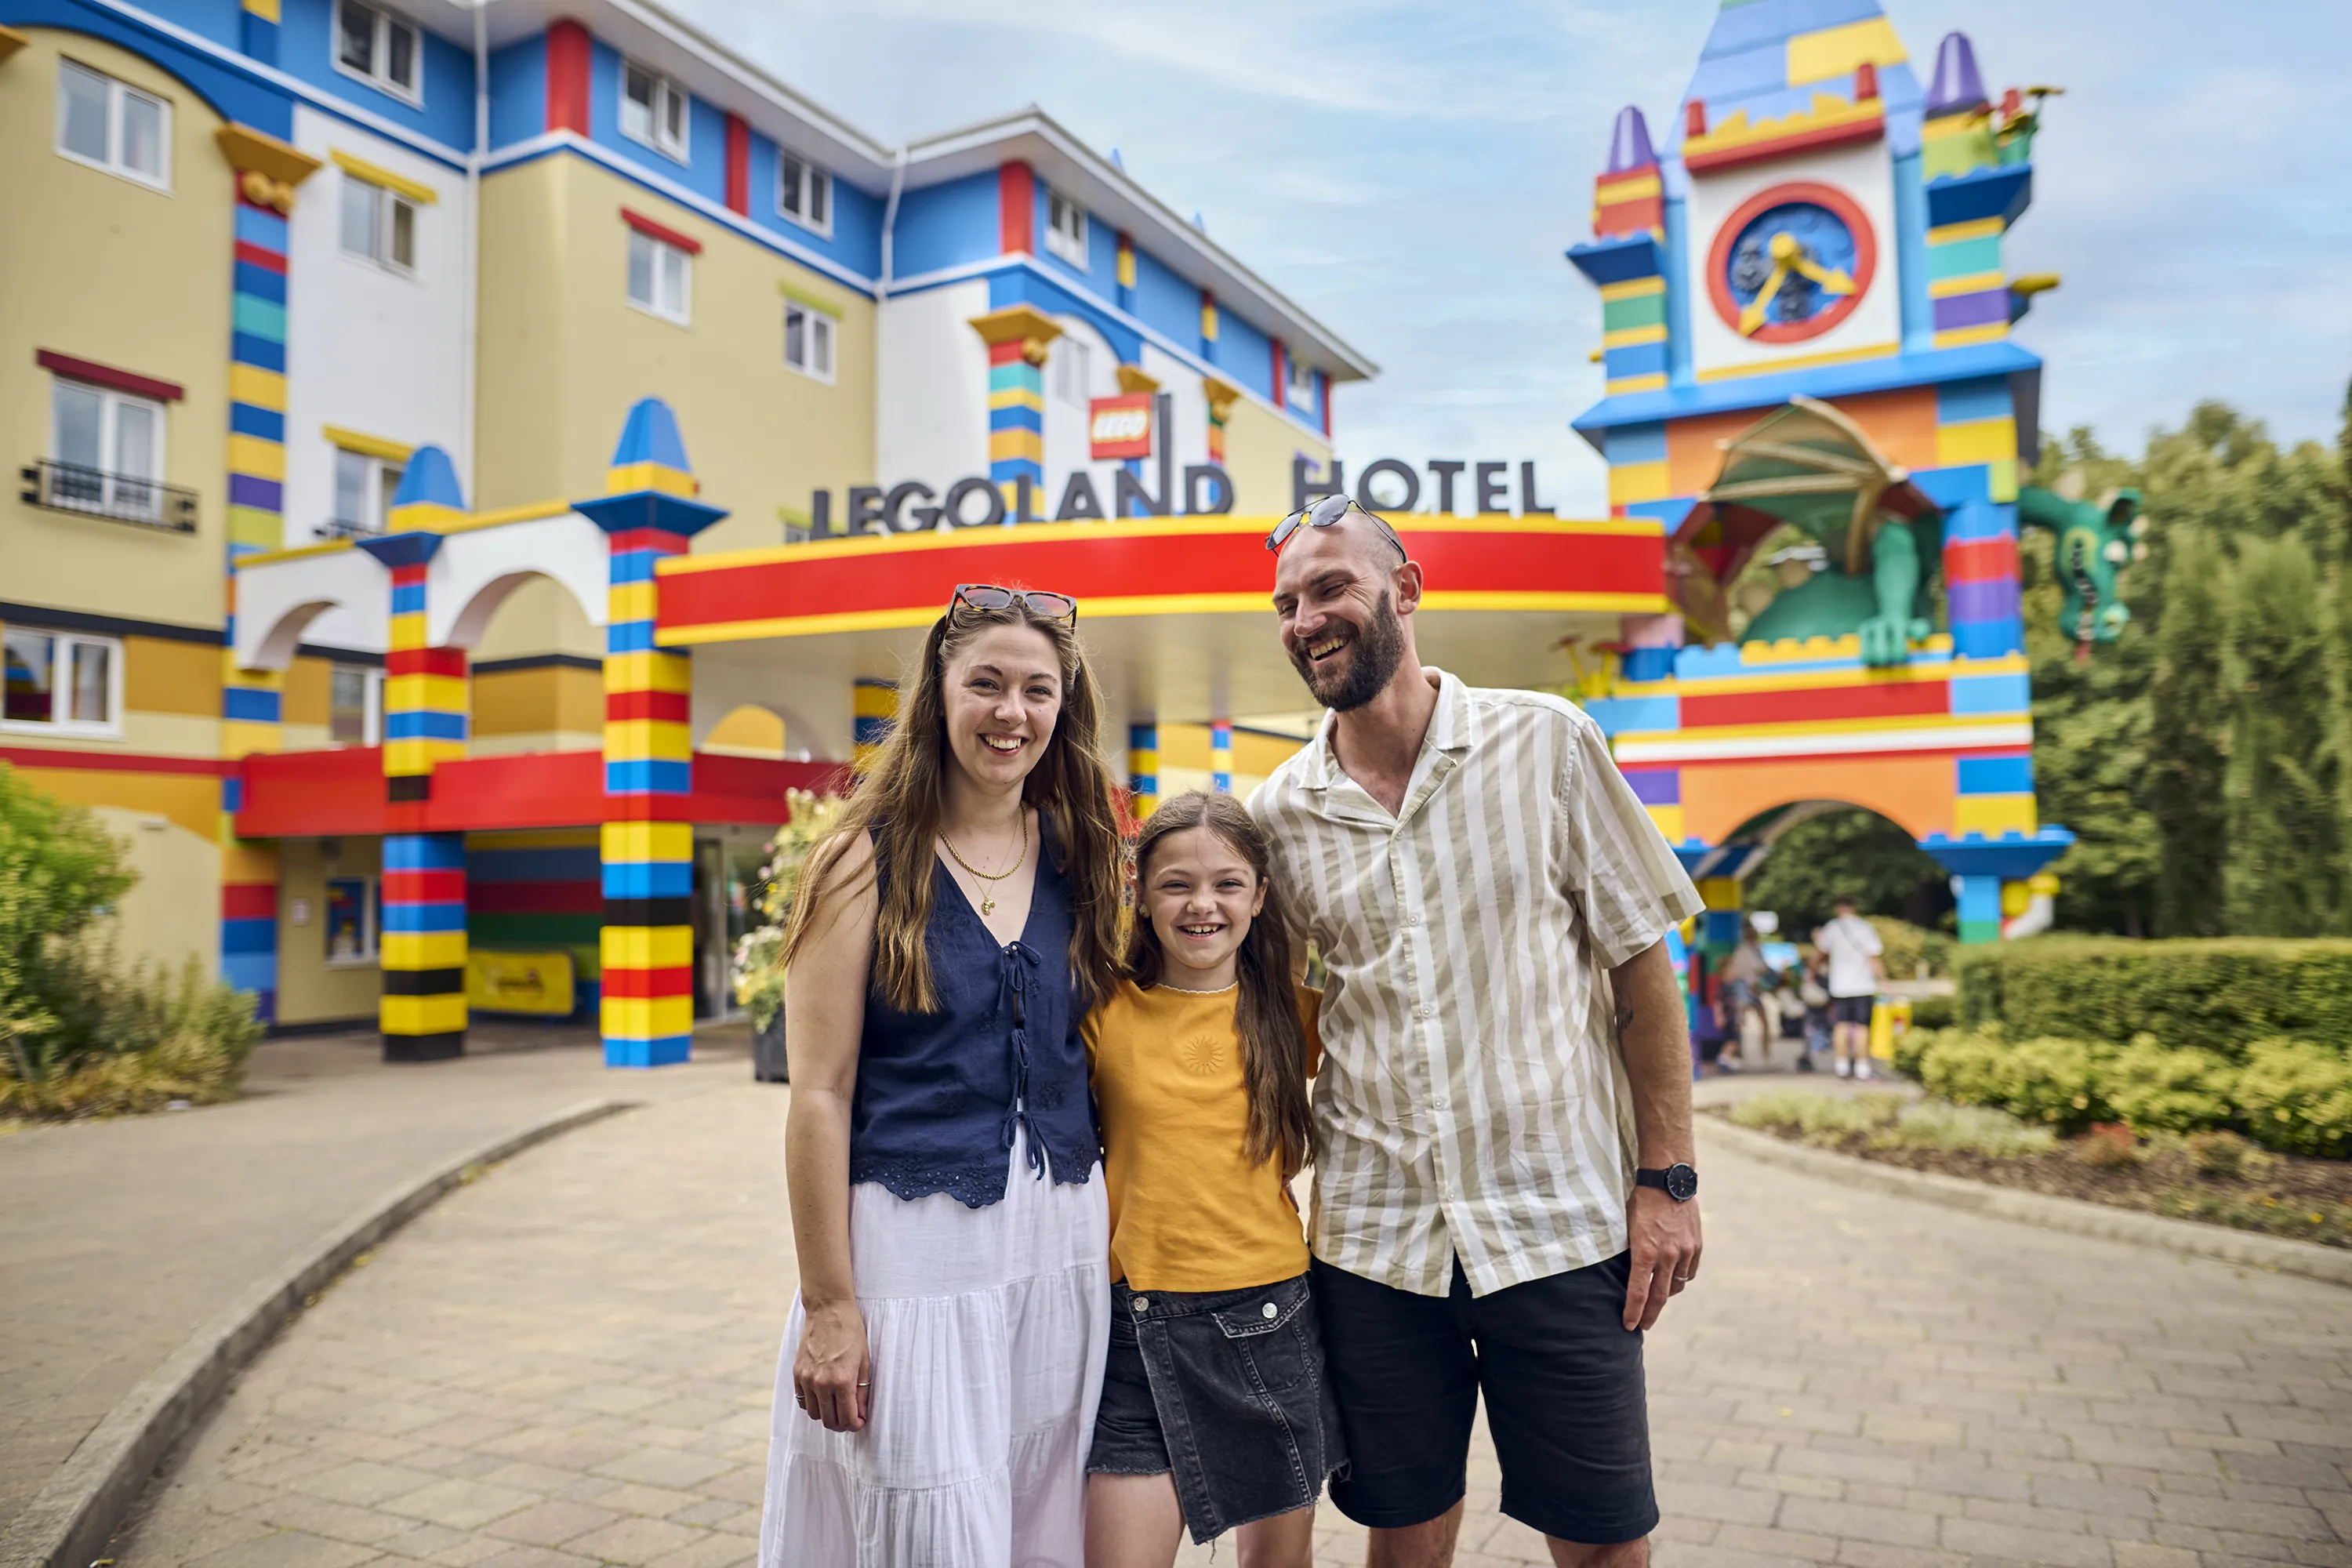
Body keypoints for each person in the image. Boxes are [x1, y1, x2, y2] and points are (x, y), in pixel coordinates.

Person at [1248, 495, 1706, 1568]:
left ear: (1406, 590)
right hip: (1374, 1243)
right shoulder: (1278, 815)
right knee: (1404, 1533)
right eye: (1287, 604)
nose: (1306, 620)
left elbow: (1641, 965)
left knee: (1603, 1540)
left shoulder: (1547, 742)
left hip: (1558, 1223)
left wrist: (1669, 1180)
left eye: (1330, 588)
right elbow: (1270, 1026)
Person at [758, 583, 1127, 1567]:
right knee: (926, 1517)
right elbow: (819, 1093)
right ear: (939, 692)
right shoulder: (859, 861)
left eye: (1038, 689)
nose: (1013, 712)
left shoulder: (1082, 855)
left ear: (1063, 706)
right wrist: (830, 1304)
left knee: (1042, 1514)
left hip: (1062, 1248)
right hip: (916, 1255)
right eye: (987, 683)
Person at [1082, 790, 1345, 1568]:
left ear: (1259, 897)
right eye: (1177, 884)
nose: (1203, 904)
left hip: (1270, 1320)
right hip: (1135, 1327)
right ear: (1139, 893)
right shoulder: (1102, 1010)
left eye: (1228, 883)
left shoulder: (1295, 1014)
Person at [1813, 895, 1886, 1081]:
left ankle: (1841, 1066)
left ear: (1837, 908)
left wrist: (1810, 973)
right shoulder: (1865, 927)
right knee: (1862, 1027)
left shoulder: (1831, 928)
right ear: (1853, 907)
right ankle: (1862, 1067)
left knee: (1841, 1026)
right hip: (1863, 985)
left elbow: (1820, 953)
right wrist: (1883, 981)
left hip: (1840, 986)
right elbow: (1873, 957)